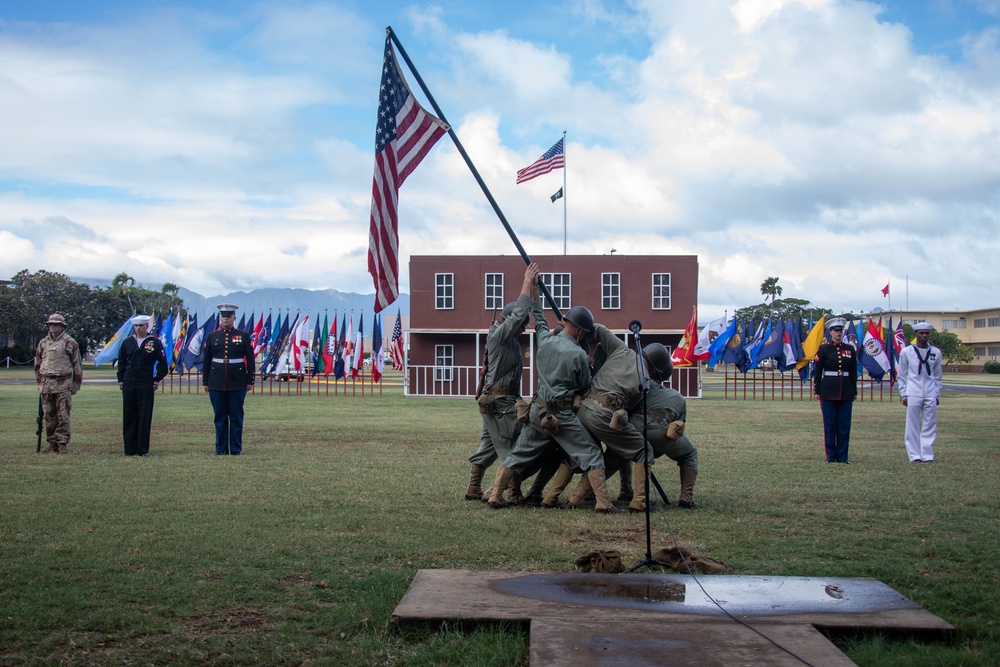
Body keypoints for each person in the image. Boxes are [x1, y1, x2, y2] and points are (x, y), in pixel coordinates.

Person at [488, 304, 620, 514]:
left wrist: (534, 293)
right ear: (578, 330)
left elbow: (540, 318)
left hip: (537, 410)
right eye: (584, 333)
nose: (584, 337)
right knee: (592, 453)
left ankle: (496, 495)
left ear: (566, 323)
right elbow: (585, 385)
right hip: (562, 415)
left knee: (518, 455)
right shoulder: (578, 355)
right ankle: (603, 503)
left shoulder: (545, 340)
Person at [464, 263, 539, 502]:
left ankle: (473, 488)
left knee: (488, 446)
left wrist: (534, 290)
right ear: (510, 322)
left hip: (499, 402)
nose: (524, 329)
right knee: (514, 444)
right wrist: (526, 282)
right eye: (521, 325)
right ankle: (509, 492)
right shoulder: (500, 335)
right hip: (500, 403)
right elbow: (518, 315)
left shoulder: (511, 341)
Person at [628, 345, 700, 508]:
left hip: (631, 430)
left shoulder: (634, 380)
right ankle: (686, 499)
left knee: (621, 455)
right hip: (659, 431)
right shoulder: (677, 397)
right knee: (689, 453)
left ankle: (624, 490)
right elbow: (676, 430)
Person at [203, 304, 255, 455]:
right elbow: (207, 361)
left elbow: (250, 360)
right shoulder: (212, 336)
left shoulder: (243, 336)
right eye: (223, 316)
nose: (226, 319)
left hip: (237, 381)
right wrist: (205, 382)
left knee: (236, 417)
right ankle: (220, 449)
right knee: (219, 417)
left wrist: (250, 380)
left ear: (234, 318)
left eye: (228, 316)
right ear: (220, 318)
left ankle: (236, 449)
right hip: (216, 381)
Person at [117, 315, 168, 456]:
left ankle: (142, 450)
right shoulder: (127, 342)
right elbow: (121, 363)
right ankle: (129, 449)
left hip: (145, 383)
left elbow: (163, 363)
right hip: (128, 383)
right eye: (136, 326)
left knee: (144, 416)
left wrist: (156, 379)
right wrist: (121, 380)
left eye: (141, 326)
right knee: (129, 416)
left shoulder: (154, 343)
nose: (138, 328)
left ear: (147, 326)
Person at [34, 313, 83, 454]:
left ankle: (62, 442)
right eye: (50, 324)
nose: (52, 326)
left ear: (62, 326)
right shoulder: (43, 343)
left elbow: (77, 365)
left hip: (63, 382)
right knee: (49, 414)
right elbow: (38, 364)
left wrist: (76, 385)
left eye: (56, 324)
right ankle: (52, 442)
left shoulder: (70, 343)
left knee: (63, 414)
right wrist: (39, 381)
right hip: (47, 383)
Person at [813, 317, 858, 463]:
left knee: (844, 426)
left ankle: (843, 456)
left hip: (845, 391)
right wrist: (817, 390)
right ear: (830, 332)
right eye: (836, 330)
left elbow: (852, 371)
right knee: (830, 425)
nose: (839, 333)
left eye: (841, 330)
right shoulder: (824, 349)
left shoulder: (849, 349)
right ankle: (831, 456)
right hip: (828, 390)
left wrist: (853, 391)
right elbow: (818, 371)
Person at [897, 322, 943, 463]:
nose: (924, 335)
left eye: (927, 333)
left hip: (930, 392)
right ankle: (914, 455)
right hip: (913, 391)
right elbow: (902, 374)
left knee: (930, 424)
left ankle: (927, 455)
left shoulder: (935, 352)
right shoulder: (907, 351)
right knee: (912, 424)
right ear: (916, 335)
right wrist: (904, 393)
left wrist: (936, 393)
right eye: (921, 333)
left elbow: (937, 375)